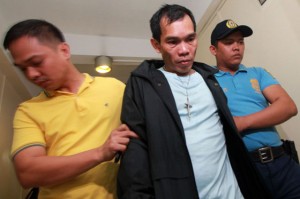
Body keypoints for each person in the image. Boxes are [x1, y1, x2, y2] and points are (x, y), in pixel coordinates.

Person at [117, 4, 271, 199]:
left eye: (190, 39)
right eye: (173, 42)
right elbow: (135, 158)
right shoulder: (142, 85)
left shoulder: (210, 79)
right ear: (156, 45)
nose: (184, 50)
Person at [3, 19, 138, 199]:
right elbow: (28, 174)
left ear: (64, 51)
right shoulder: (27, 111)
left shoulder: (115, 88)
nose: (31, 74)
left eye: (36, 62)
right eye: (23, 69)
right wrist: (100, 153)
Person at [209, 19, 300, 199]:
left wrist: (242, 123)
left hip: (282, 163)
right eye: (228, 43)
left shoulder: (258, 73)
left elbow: (288, 107)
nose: (237, 47)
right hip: (244, 168)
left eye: (240, 42)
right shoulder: (207, 79)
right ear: (214, 50)